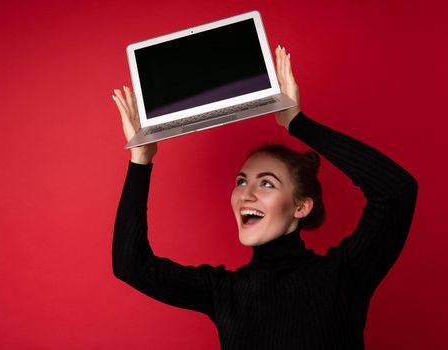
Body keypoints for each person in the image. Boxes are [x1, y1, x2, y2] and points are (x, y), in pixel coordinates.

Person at [111, 46, 418, 349]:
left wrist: (297, 123)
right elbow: (130, 265)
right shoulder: (224, 292)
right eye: (241, 181)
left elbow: (396, 192)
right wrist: (141, 157)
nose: (246, 193)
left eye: (267, 184)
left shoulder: (343, 275)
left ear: (301, 206)